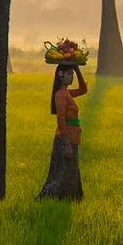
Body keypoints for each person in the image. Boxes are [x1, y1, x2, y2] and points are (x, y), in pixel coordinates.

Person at [37, 64, 87, 200]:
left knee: (71, 171)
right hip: (66, 138)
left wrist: (77, 69)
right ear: (61, 75)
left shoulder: (67, 94)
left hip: (74, 136)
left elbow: (83, 89)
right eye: (69, 74)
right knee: (61, 173)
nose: (71, 77)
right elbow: (61, 119)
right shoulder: (60, 95)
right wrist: (67, 144)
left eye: (72, 74)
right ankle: (50, 198)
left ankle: (70, 198)